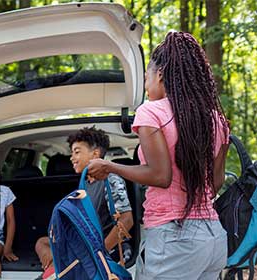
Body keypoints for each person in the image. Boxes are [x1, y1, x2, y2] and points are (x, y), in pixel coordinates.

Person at [88, 32, 230, 280]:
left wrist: (109, 166)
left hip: (174, 239)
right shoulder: (216, 119)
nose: (146, 86)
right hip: (213, 237)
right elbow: (215, 183)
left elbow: (160, 175)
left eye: (146, 78)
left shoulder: (151, 112)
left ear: (160, 75)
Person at [34, 127, 134, 279]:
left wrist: (98, 253)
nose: (71, 157)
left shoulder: (111, 179)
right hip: (84, 242)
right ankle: (55, 270)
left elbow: (126, 221)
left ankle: (55, 272)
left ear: (95, 154)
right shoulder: (85, 183)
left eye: (77, 152)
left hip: (102, 247)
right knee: (42, 242)